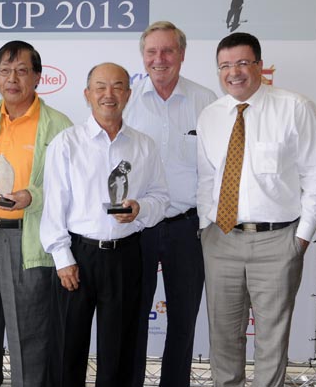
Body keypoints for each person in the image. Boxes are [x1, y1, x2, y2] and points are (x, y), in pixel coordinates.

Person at [196, 32, 316, 387]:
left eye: (242, 63)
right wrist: (207, 227)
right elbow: (208, 179)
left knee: (271, 342)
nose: (233, 72)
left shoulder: (295, 107)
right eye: (224, 65)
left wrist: (301, 237)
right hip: (221, 239)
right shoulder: (210, 116)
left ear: (259, 66)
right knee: (223, 339)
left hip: (278, 242)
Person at [41, 62, 169, 386]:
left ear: (128, 94)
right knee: (67, 350)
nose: (108, 94)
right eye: (100, 87)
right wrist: (62, 259)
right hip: (78, 256)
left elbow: (161, 197)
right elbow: (54, 206)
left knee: (120, 354)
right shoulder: (66, 143)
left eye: (117, 87)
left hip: (126, 257)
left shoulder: (143, 145)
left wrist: (140, 208)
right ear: (87, 94)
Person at [0, 40, 72, 387]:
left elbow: (68, 187)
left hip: (27, 242)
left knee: (28, 342)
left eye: (22, 71)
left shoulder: (57, 125)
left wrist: (33, 195)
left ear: (38, 77)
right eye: (5, 71)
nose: (12, 79)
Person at [124, 21, 216, 387]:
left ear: (181, 54)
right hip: (137, 227)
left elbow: (217, 168)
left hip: (186, 228)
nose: (159, 59)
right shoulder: (127, 101)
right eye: (152, 52)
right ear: (143, 56)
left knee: (182, 321)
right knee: (132, 316)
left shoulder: (205, 101)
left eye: (167, 51)